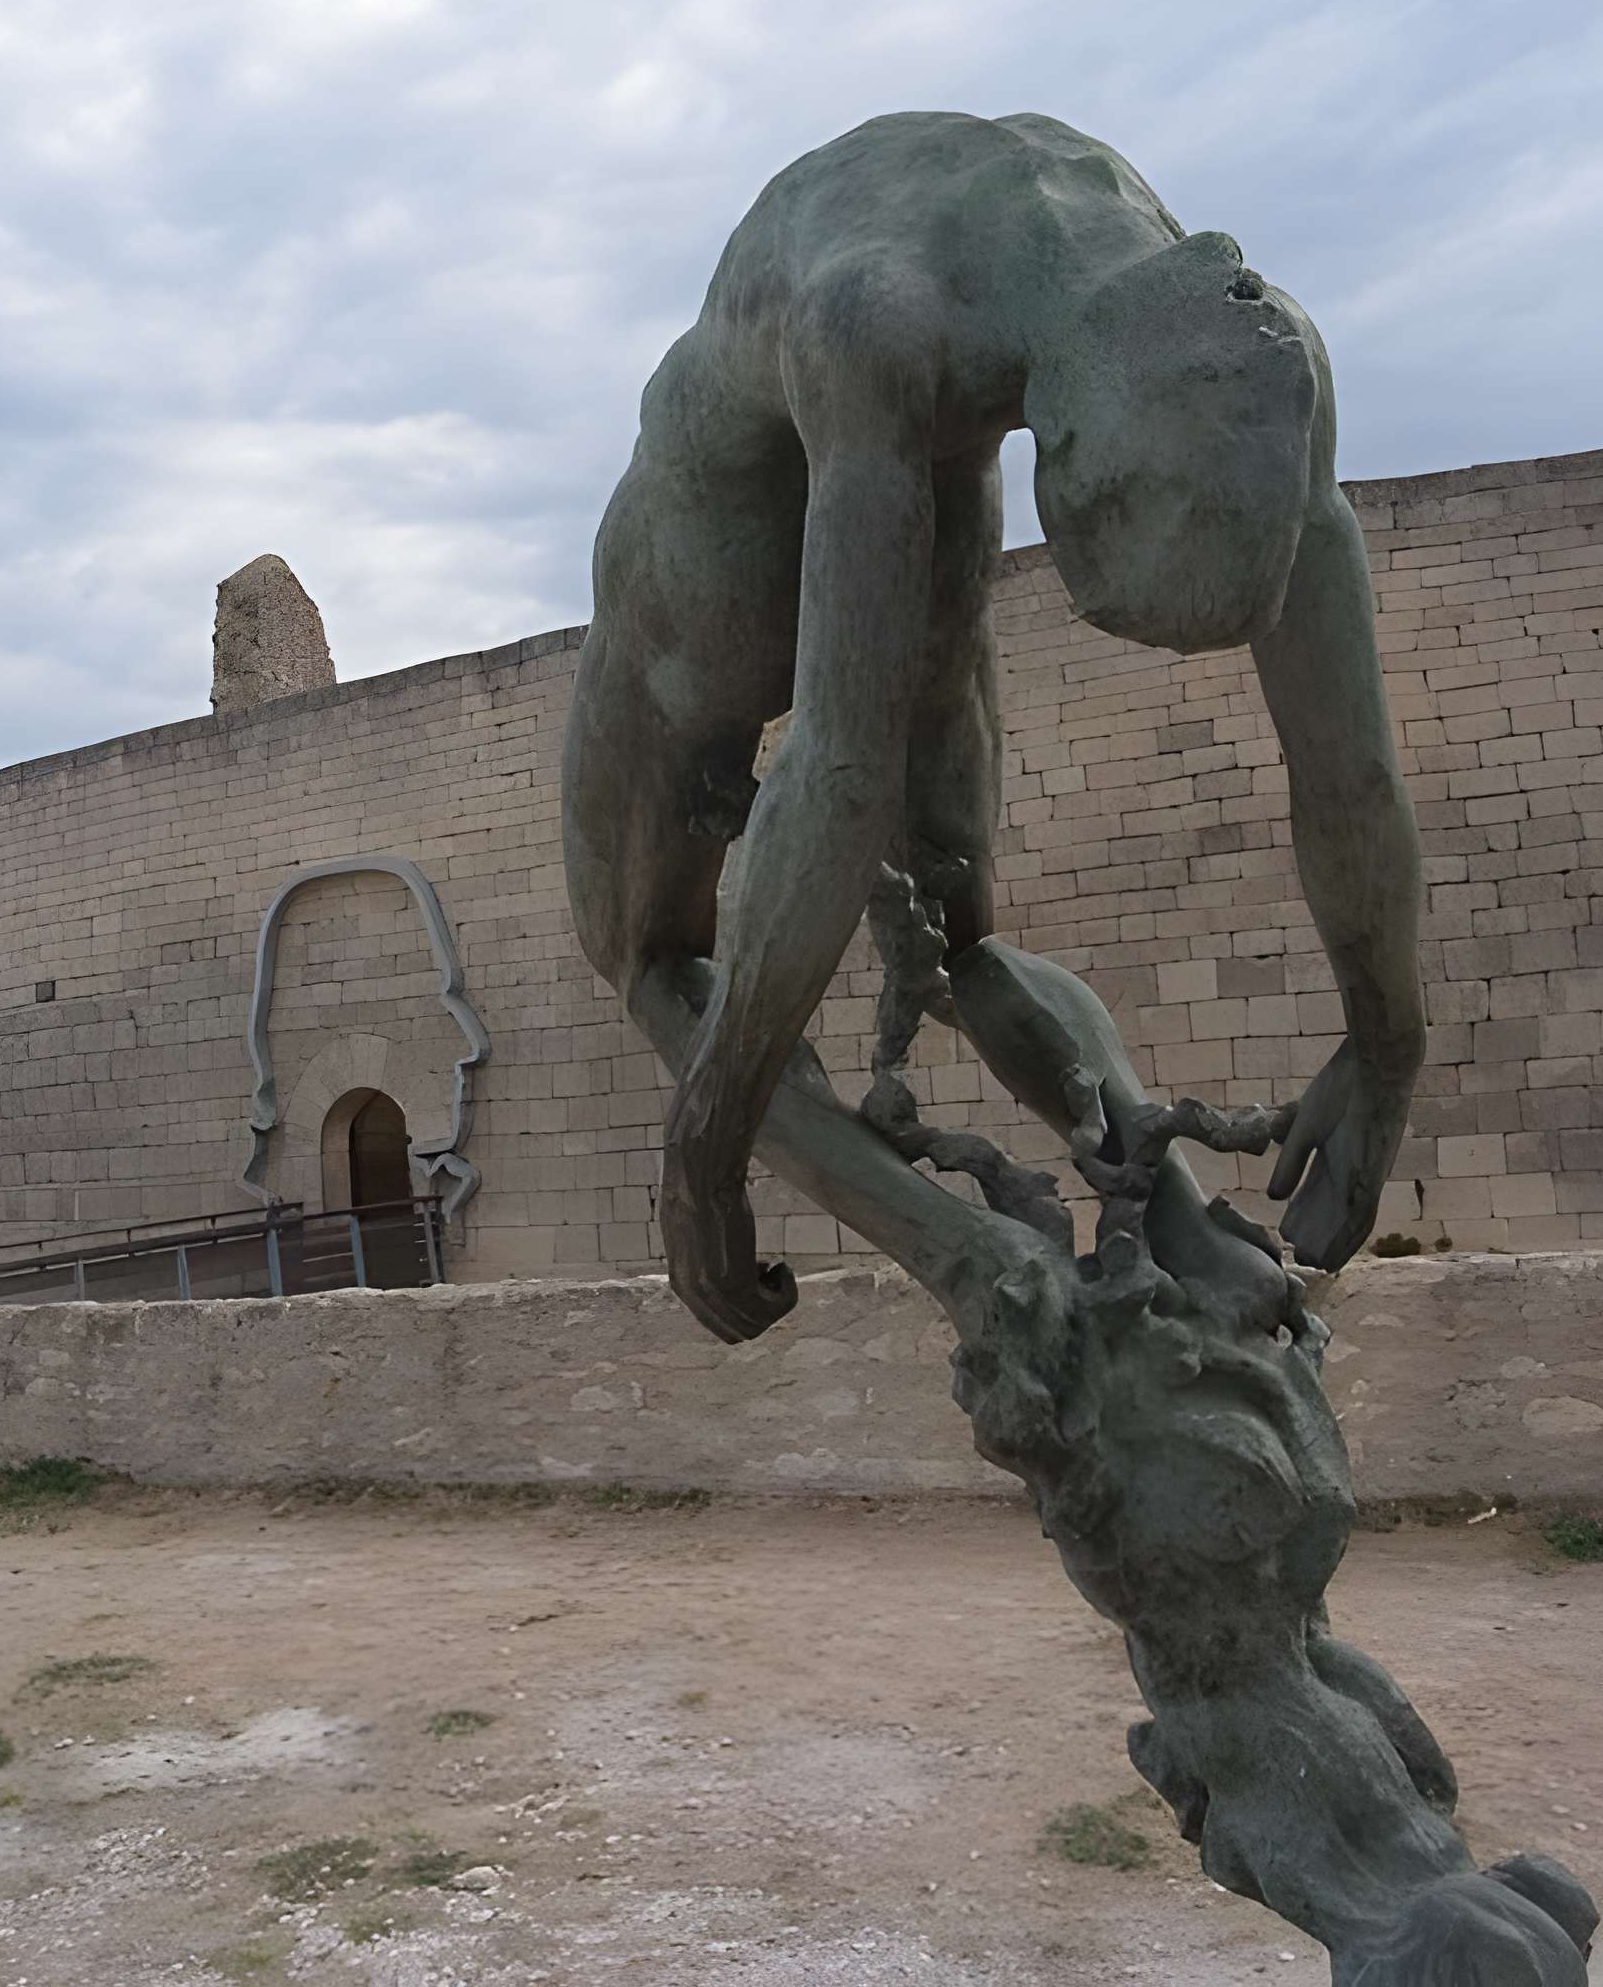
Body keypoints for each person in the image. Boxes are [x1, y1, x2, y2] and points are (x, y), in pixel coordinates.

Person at [562, 111, 1426, 1344]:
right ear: (1061, 440)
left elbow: (1349, 769)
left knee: (960, 946)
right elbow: (839, 776)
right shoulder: (878, 315)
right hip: (696, 594)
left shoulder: (1251, 357)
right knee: (651, 960)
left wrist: (1387, 1038)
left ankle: (1143, 1219)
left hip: (906, 486)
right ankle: (968, 1257)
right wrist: (702, 1155)